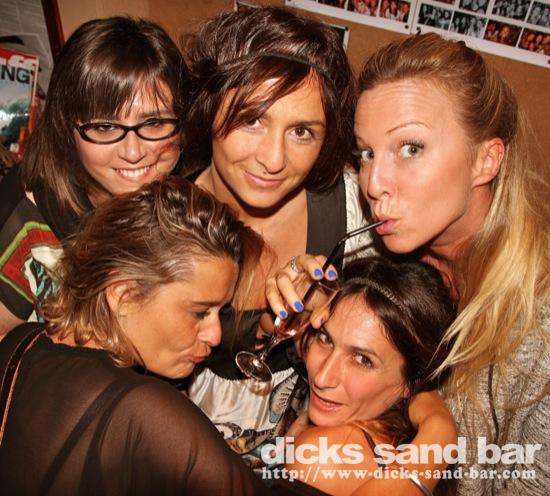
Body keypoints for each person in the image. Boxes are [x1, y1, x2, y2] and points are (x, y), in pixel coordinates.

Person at [269, 33, 549, 494]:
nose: (374, 182)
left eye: (410, 148)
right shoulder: (371, 244)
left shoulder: (539, 331)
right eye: (366, 153)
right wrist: (308, 324)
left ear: (486, 159)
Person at [182, 6, 371, 468]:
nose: (273, 159)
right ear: (209, 107)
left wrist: (325, 326)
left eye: (302, 131)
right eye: (252, 120)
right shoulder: (161, 219)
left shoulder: (350, 213)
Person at [0, 177, 264, 494]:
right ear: (123, 295)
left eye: (221, 311)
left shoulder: (19, 343)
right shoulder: (148, 414)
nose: (215, 335)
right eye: (199, 312)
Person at [0, 16, 188, 335]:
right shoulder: (27, 226)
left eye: (154, 123)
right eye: (105, 127)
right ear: (66, 127)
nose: (133, 152)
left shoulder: (189, 192)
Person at [285, 257, 456, 495]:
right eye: (325, 338)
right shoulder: (398, 440)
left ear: (408, 385)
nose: (322, 378)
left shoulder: (322, 455)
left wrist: (440, 429)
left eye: (363, 360)